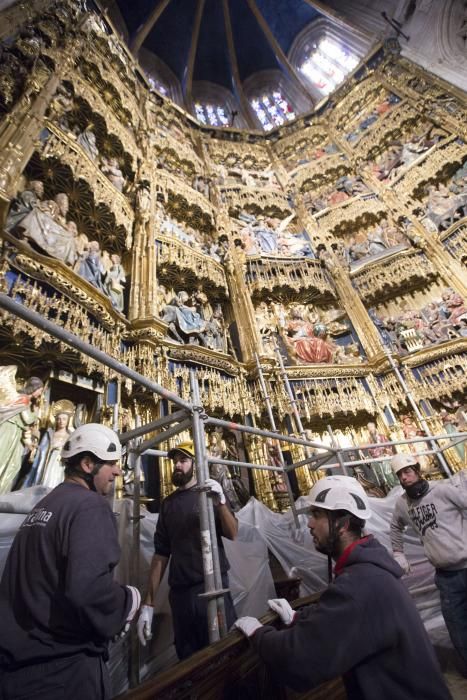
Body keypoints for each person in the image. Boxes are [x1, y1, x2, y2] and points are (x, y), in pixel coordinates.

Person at [234, 475, 451, 699]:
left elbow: (300, 658)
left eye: (317, 515)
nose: (309, 523)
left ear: (343, 525)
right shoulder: (368, 571)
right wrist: (298, 618)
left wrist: (258, 633)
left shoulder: (360, 584)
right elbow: (341, 618)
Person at [0, 423, 141, 700]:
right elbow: (88, 589)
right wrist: (127, 601)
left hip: (17, 670)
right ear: (88, 464)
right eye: (111, 463)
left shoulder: (44, 507)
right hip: (63, 673)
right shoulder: (88, 506)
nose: (117, 471)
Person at [137, 440, 238, 660]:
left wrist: (221, 502)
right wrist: (148, 603)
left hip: (212, 585)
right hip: (182, 593)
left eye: (183, 460)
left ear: (195, 464)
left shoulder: (208, 494)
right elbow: (161, 554)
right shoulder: (169, 504)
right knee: (189, 657)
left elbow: (232, 533)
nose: (177, 466)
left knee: (223, 653)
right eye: (175, 461)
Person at [390, 452, 467, 673]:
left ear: (417, 471)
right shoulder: (403, 504)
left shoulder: (442, 490)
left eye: (407, 472)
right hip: (446, 577)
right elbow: (395, 526)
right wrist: (398, 553)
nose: (404, 478)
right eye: (400, 475)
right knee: (457, 627)